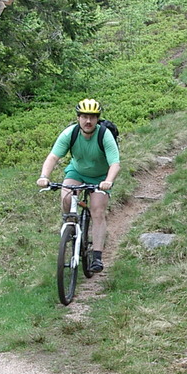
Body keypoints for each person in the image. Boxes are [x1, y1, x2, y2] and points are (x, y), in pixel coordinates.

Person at [36, 98, 120, 273]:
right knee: (66, 197)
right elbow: (53, 157)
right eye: (84, 117)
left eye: (92, 117)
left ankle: (96, 256)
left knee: (97, 210)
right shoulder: (70, 134)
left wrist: (108, 181)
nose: (88, 121)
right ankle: (70, 226)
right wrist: (44, 176)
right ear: (78, 118)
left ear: (97, 119)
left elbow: (115, 164)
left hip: (100, 177)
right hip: (77, 172)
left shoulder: (105, 135)